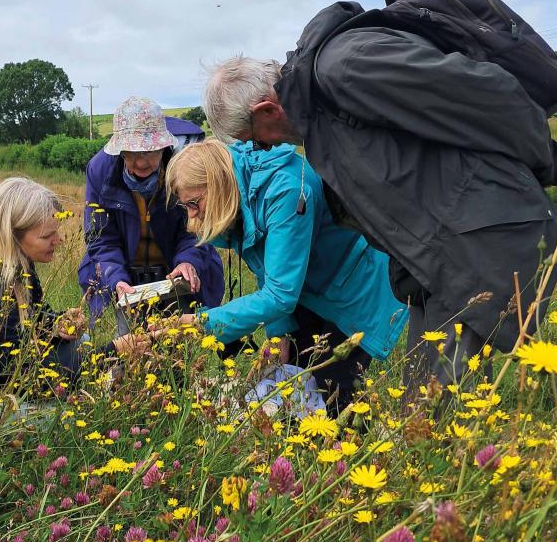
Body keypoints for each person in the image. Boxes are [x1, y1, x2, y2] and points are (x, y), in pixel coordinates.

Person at [203, 18, 557, 383]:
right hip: (435, 263)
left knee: (430, 417)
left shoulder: (348, 67)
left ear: (267, 109)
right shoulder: (320, 121)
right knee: (425, 414)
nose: (262, 149)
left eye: (255, 140)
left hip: (481, 242)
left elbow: (484, 98)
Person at [164, 139, 406, 411]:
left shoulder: (284, 190)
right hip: (310, 289)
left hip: (354, 291)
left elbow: (279, 294)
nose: (192, 217)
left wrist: (201, 324)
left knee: (333, 390)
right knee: (297, 385)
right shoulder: (243, 195)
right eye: (186, 207)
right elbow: (268, 270)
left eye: (194, 203)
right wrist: (279, 335)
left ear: (217, 183)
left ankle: (347, 450)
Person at [0, 176, 133, 394]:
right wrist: (114, 350)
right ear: (13, 236)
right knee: (64, 415)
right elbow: (20, 379)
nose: (60, 240)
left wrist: (56, 323)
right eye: (47, 235)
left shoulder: (10, 260)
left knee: (80, 343)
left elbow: (28, 318)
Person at [79, 96, 224, 329]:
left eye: (148, 152)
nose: (140, 163)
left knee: (178, 350)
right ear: (119, 151)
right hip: (126, 281)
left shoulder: (185, 167)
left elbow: (197, 228)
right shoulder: (100, 171)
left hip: (175, 279)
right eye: (131, 153)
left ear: (163, 146)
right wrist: (116, 280)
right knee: (128, 352)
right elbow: (100, 238)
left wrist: (188, 262)